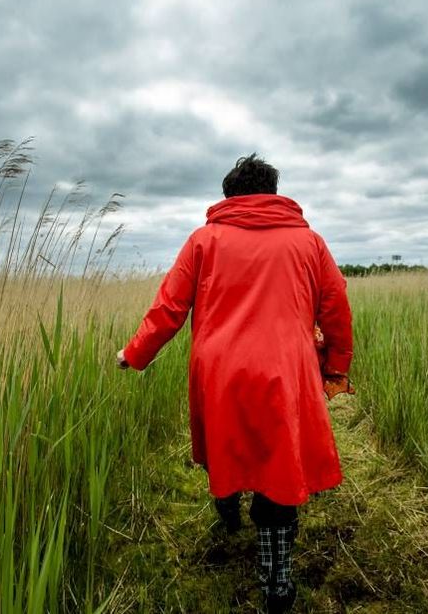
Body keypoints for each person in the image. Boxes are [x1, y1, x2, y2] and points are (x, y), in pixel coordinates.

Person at [116, 153, 353, 613]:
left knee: (227, 447)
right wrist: (336, 366)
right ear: (274, 193)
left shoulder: (204, 239)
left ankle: (227, 506)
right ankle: (277, 581)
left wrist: (135, 353)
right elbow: (336, 307)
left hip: (220, 371)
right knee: (279, 467)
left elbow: (170, 307)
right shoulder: (310, 244)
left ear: (229, 196)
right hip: (286, 370)